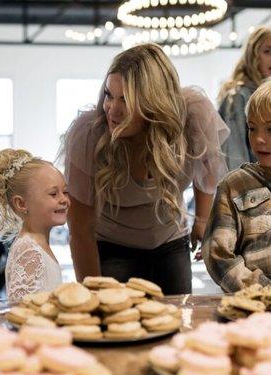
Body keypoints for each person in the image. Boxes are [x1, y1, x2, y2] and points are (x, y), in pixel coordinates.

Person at [63, 43, 229, 295]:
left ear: (154, 103)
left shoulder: (192, 115)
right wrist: (92, 295)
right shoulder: (88, 135)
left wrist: (202, 221)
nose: (113, 110)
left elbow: (207, 170)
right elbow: (80, 230)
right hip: (112, 247)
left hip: (171, 241)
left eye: (126, 100)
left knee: (174, 323)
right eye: (109, 95)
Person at [203, 80, 271, 292]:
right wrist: (261, 290)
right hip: (251, 308)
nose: (259, 139)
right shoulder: (234, 186)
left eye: (270, 129)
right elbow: (218, 255)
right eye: (252, 128)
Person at [0, 148, 70, 302]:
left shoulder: (37, 243)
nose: (63, 199)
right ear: (21, 204)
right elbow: (21, 311)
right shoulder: (29, 251)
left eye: (65, 192)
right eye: (53, 194)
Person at [218, 26, 271, 171]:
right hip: (251, 187)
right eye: (268, 51)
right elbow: (234, 157)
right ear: (253, 55)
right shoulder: (237, 98)